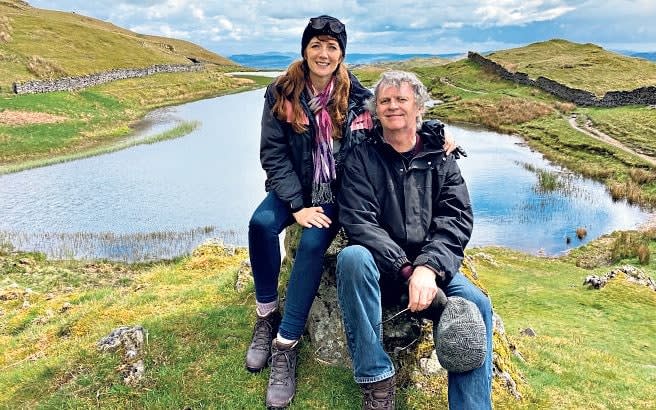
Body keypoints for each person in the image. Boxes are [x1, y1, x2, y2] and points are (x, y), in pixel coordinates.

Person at [336, 70, 493, 410]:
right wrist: (408, 271)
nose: (393, 107)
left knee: (476, 306)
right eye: (385, 101)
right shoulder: (361, 156)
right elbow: (359, 222)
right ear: (375, 110)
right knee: (351, 259)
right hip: (382, 269)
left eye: (401, 99)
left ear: (419, 107)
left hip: (432, 272)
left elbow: (456, 218)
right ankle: (376, 379)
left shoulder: (442, 157)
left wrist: (430, 268)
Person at [245, 15, 373, 409]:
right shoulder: (281, 91)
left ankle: (287, 342)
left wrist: (437, 134)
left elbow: (397, 123)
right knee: (261, 224)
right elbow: (273, 154)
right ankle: (266, 314)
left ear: (341, 54)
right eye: (316, 45)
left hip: (335, 193)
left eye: (332, 47)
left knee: (316, 241)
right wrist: (297, 205)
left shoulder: (358, 98)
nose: (323, 53)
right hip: (294, 189)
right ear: (305, 49)